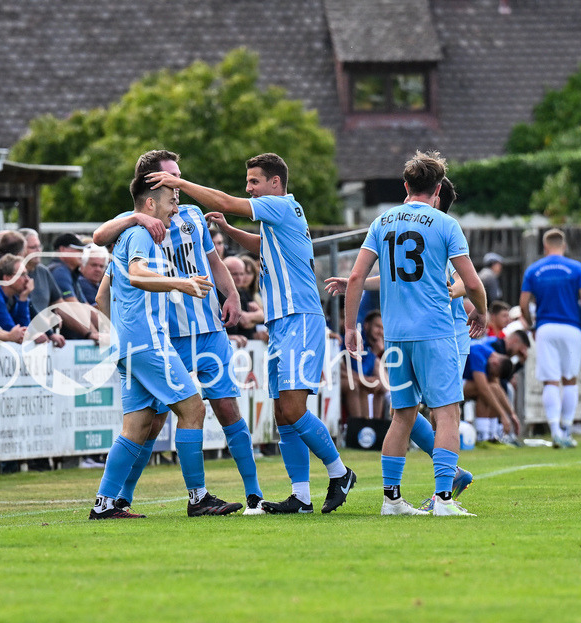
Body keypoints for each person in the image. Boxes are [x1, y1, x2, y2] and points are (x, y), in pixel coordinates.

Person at [149, 153, 356, 514]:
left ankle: (340, 472)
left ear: (275, 184)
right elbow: (265, 248)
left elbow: (229, 202)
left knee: (293, 408)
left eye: (254, 182)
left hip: (300, 318)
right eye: (247, 183)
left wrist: (180, 185)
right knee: (282, 413)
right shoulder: (280, 220)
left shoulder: (281, 204)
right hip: (280, 322)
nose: (248, 188)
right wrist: (229, 232)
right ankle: (301, 496)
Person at [91, 149, 262, 513]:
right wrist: (179, 283)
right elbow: (113, 253)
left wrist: (230, 294)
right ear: (152, 191)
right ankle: (194, 498)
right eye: (172, 181)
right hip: (158, 339)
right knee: (180, 414)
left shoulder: (187, 217)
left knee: (141, 423)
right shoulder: (139, 227)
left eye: (180, 179)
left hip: (197, 331)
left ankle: (107, 502)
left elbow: (103, 295)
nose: (179, 187)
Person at [342, 151, 486, 516]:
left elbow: (356, 278)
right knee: (448, 412)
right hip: (435, 332)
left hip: (395, 336)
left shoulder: (381, 221)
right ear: (438, 189)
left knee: (403, 416)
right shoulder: (444, 224)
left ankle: (391, 500)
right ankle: (443, 500)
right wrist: (482, 312)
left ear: (406, 186)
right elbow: (470, 282)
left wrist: (349, 327)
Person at [519, 228, 581, 448]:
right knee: (570, 378)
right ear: (564, 245)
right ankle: (568, 428)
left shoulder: (534, 270)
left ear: (544, 247)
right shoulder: (577, 268)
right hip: (571, 328)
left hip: (546, 327)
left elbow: (523, 303)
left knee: (550, 380)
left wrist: (530, 323)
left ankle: (554, 430)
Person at [0, 254, 65, 346]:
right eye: (22, 274)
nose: (27, 279)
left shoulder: (15, 296)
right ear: (7, 278)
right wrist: (31, 335)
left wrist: (24, 297)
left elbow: (24, 324)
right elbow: (10, 329)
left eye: (26, 274)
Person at [461, 340, 519, 444]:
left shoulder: (491, 355)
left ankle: (492, 436)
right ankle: (482, 437)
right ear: (495, 363)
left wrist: (511, 413)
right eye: (494, 373)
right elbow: (483, 389)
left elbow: (497, 387)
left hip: (463, 382)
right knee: (485, 390)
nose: (492, 376)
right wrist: (503, 415)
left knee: (493, 388)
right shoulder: (478, 354)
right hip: (452, 382)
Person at [343, 309, 387, 419]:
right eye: (377, 326)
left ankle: (374, 429)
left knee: (378, 386)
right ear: (366, 325)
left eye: (382, 328)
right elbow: (358, 369)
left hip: (358, 379)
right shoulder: (356, 340)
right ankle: (361, 429)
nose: (380, 332)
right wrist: (376, 353)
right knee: (359, 386)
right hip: (342, 377)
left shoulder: (373, 347)